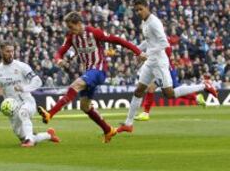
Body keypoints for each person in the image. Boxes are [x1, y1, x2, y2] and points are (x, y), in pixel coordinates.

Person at [37, 11, 147, 143]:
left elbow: (118, 40)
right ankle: (108, 130)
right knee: (85, 106)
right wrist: (59, 60)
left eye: (71, 27)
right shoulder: (71, 36)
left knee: (75, 85)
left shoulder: (94, 32)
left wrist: (138, 52)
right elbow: (60, 52)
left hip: (99, 70)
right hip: (88, 72)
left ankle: (50, 113)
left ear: (78, 23)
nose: (70, 30)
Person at [117, 0, 218, 133]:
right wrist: (136, 49)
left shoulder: (154, 23)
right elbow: (149, 42)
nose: (139, 12)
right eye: (137, 10)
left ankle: (204, 85)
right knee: (139, 90)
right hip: (150, 61)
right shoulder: (144, 22)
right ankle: (128, 124)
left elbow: (164, 43)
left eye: (141, 9)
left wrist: (145, 53)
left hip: (159, 62)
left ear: (147, 7)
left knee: (169, 94)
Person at [135, 46, 206, 121]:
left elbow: (167, 53)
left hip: (166, 70)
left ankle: (197, 94)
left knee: (173, 91)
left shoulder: (162, 42)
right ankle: (145, 113)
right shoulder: (157, 41)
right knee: (151, 88)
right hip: (161, 69)